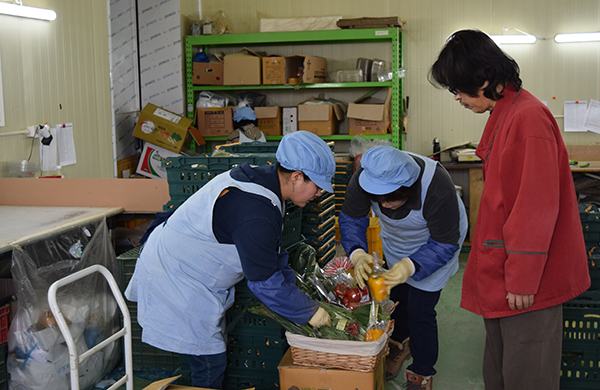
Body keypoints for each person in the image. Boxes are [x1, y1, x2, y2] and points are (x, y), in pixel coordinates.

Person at [429, 29, 590, 390]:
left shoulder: (528, 119)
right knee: (501, 370)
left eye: (458, 88)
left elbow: (534, 207)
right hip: (506, 276)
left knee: (526, 373)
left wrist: (523, 277)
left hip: (527, 284)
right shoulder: (507, 115)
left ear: (483, 80)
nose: (456, 97)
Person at [125, 131, 335, 389]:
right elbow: (264, 282)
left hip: (191, 267)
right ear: (296, 177)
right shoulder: (256, 211)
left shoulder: (266, 183)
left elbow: (271, 257)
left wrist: (299, 296)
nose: (319, 194)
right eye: (318, 186)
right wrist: (309, 311)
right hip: (178, 275)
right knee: (209, 359)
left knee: (208, 351)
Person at [339, 146, 468, 390]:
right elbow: (352, 218)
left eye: (392, 199)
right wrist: (357, 252)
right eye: (379, 200)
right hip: (397, 240)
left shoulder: (437, 186)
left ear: (410, 189)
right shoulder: (365, 177)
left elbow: (444, 243)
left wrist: (412, 265)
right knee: (396, 297)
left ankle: (422, 371)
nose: (385, 206)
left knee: (421, 308)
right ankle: (399, 343)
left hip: (437, 242)